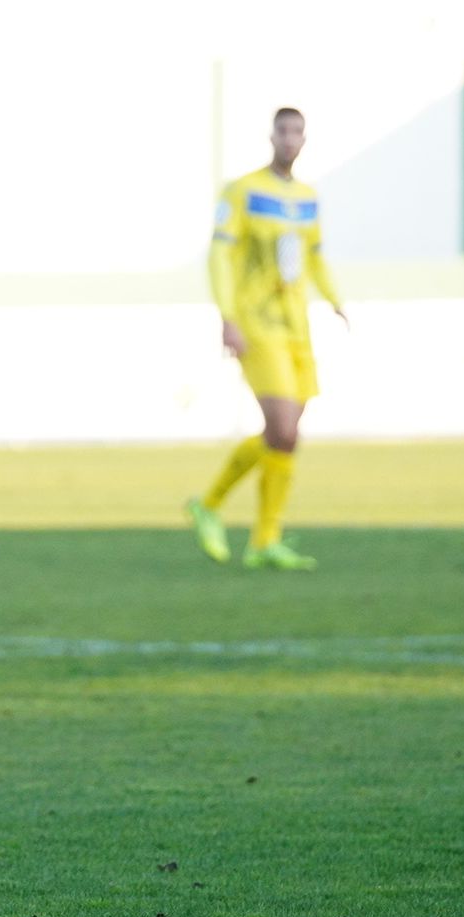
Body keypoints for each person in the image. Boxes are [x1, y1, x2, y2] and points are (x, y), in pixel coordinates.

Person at [187, 107, 345, 571]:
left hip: (297, 326)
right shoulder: (243, 191)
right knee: (282, 430)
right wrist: (228, 317)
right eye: (284, 130)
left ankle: (264, 540)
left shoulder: (308, 197)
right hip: (257, 324)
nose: (291, 139)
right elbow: (219, 255)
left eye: (298, 131)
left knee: (285, 439)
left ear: (305, 138)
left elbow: (314, 257)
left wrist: (336, 300)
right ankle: (211, 504)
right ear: (271, 136)